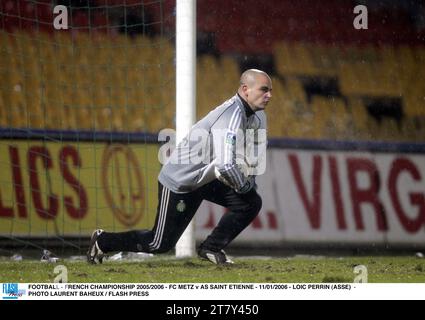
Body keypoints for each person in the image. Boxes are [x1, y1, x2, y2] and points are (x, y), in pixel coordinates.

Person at [87, 69, 272, 265]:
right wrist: (243, 186)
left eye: (270, 90)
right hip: (180, 180)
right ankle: (102, 241)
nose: (269, 95)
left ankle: (211, 247)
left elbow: (254, 154)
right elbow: (226, 164)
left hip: (206, 179)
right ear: (245, 90)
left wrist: (249, 181)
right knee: (159, 243)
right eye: (264, 90)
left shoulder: (259, 117)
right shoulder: (231, 115)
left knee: (250, 202)